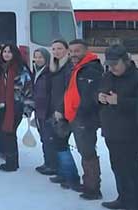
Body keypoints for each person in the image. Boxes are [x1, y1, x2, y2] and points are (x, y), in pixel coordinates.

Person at [98, 44, 138, 210]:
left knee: (132, 170)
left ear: (126, 60)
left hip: (131, 133)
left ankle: (135, 205)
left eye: (115, 64)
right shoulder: (107, 76)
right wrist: (100, 97)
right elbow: (99, 92)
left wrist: (120, 102)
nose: (112, 68)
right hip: (111, 131)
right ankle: (123, 198)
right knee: (117, 167)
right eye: (109, 64)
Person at [65, 39, 104, 199]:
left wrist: (80, 114)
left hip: (85, 119)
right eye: (71, 51)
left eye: (77, 51)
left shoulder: (91, 70)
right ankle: (88, 182)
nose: (73, 54)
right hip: (76, 117)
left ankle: (93, 188)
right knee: (84, 151)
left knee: (88, 152)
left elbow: (89, 98)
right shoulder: (78, 68)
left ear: (86, 51)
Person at [0, 43, 33, 173]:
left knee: (10, 134)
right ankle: (9, 158)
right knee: (4, 133)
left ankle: (12, 162)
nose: (6, 54)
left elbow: (28, 90)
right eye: (5, 52)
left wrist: (28, 109)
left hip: (15, 107)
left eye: (9, 52)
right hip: (0, 107)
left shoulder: (21, 70)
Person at [47, 39, 81, 190]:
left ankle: (72, 177)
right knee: (57, 143)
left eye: (59, 48)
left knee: (61, 144)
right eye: (53, 49)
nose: (56, 51)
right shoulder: (54, 67)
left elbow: (68, 91)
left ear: (67, 50)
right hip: (55, 110)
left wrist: (60, 109)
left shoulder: (68, 67)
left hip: (65, 111)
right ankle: (62, 173)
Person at [32, 48, 57, 177]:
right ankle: (47, 162)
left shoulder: (49, 73)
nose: (38, 60)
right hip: (39, 110)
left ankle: (52, 165)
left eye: (40, 57)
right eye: (36, 57)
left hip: (47, 111)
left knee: (49, 139)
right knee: (44, 138)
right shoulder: (36, 72)